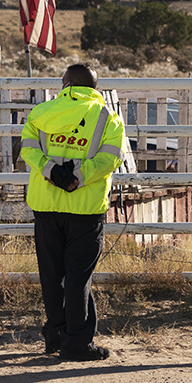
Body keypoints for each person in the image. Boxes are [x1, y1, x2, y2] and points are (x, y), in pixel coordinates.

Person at [20, 63, 125, 361]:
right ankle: (77, 344)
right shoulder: (107, 118)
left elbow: (27, 148)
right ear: (95, 88)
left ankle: (55, 336)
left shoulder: (42, 112)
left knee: (52, 276)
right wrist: (77, 177)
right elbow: (110, 159)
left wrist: (51, 170)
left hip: (45, 206)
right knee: (79, 276)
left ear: (65, 83)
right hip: (85, 208)